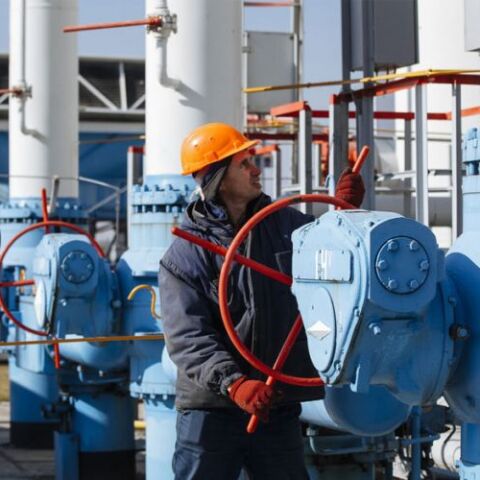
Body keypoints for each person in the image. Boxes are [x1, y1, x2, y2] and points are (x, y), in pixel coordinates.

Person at [159, 122, 365, 479]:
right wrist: (234, 383)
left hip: (273, 403)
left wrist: (345, 215)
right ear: (218, 179)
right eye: (244, 164)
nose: (256, 170)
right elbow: (187, 337)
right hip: (211, 410)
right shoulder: (185, 255)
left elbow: (331, 254)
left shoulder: (285, 225)